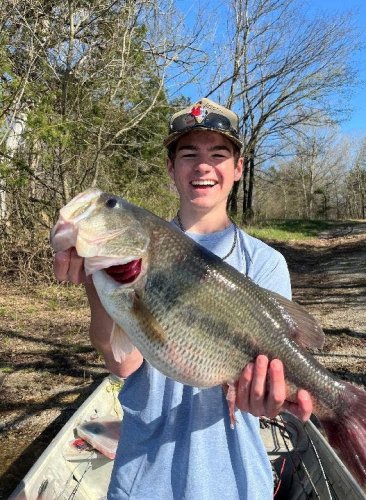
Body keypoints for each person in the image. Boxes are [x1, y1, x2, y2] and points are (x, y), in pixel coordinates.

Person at [54, 97, 313, 499]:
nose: (203, 166)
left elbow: (266, 382)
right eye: (189, 154)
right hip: (143, 479)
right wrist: (94, 275)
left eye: (219, 154)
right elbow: (121, 362)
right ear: (171, 168)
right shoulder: (126, 256)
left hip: (235, 482)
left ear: (238, 168)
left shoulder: (265, 262)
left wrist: (267, 401)